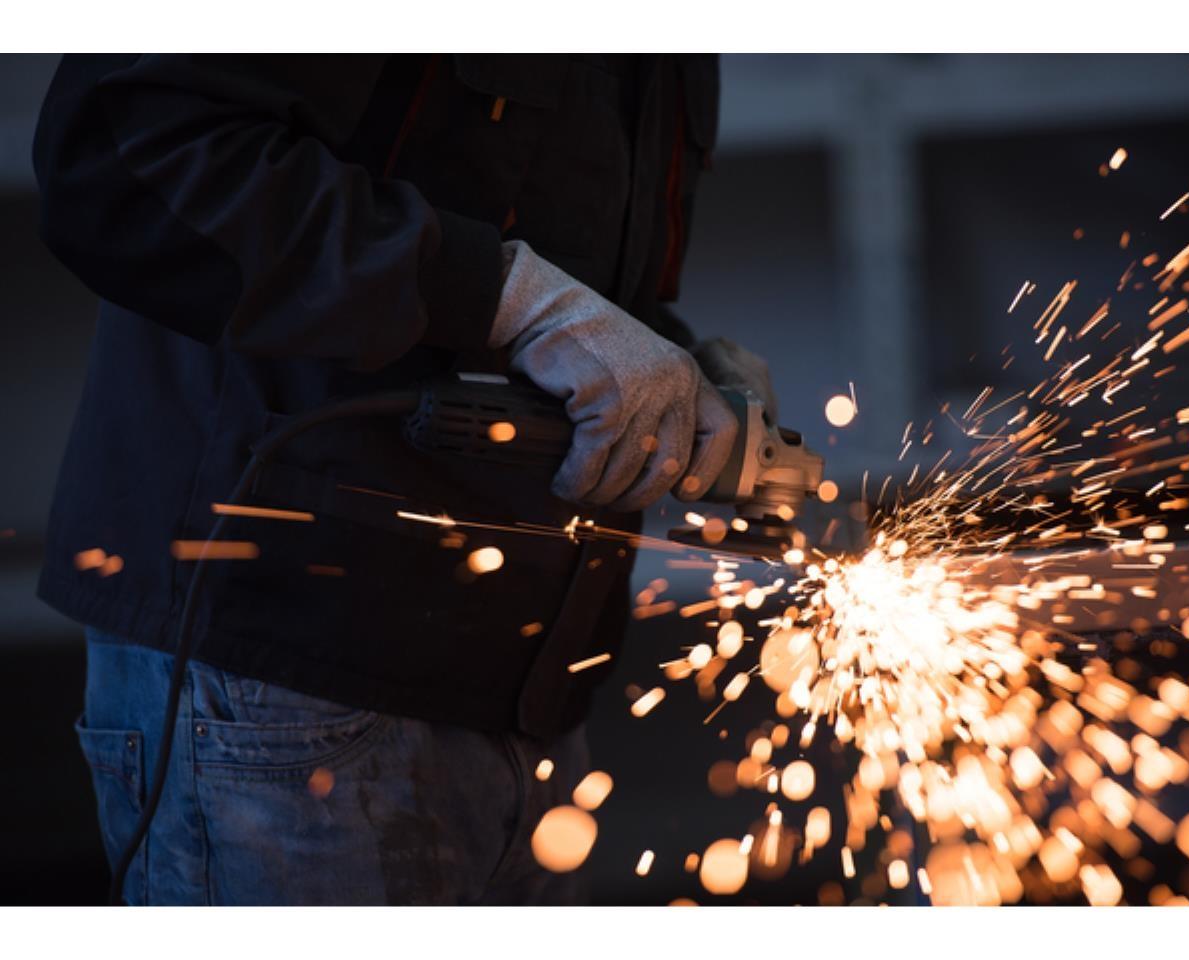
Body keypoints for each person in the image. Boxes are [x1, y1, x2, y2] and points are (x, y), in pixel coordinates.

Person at [33, 54, 777, 905]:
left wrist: (672, 370)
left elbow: (560, 256)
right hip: (285, 693)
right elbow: (126, 156)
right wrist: (506, 298)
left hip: (527, 690)